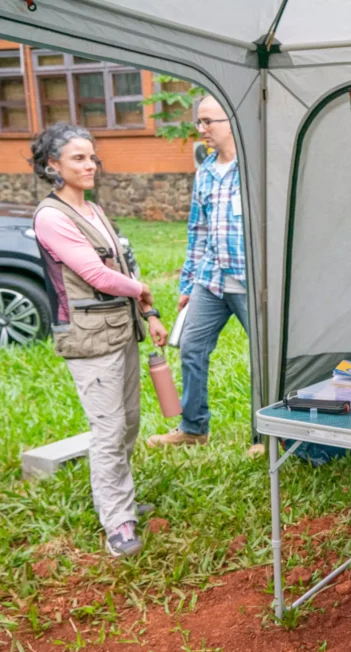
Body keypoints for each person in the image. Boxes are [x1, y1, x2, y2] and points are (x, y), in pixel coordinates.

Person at [30, 123, 168, 557]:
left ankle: (120, 499)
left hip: (120, 330)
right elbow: (95, 275)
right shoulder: (52, 216)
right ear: (52, 165)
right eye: (78, 158)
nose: (90, 165)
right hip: (91, 340)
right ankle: (117, 522)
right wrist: (143, 291)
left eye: (92, 157)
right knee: (108, 430)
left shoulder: (92, 209)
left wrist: (148, 311)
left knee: (128, 423)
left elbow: (122, 266)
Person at [147, 96, 248, 448]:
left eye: (208, 121)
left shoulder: (255, 168)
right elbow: (198, 231)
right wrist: (188, 283)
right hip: (212, 279)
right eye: (199, 122)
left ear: (232, 119)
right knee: (191, 347)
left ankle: (265, 434)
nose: (202, 129)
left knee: (266, 360)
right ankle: (193, 429)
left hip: (252, 283)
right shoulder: (204, 171)